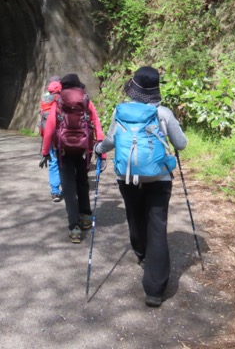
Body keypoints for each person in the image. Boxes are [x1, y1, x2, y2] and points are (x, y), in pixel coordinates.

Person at [95, 66, 187, 307]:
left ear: (133, 88)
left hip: (127, 176)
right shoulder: (164, 113)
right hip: (159, 179)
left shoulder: (120, 111)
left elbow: (111, 140)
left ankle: (141, 253)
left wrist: (98, 150)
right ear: (156, 90)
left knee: (134, 215)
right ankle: (154, 290)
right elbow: (181, 143)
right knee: (158, 227)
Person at [41, 73, 104, 243]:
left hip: (63, 150)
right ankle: (85, 217)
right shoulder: (85, 101)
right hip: (83, 150)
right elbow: (97, 125)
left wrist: (45, 152)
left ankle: (74, 227)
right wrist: (101, 153)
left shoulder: (58, 102)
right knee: (83, 182)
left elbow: (50, 129)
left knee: (68, 188)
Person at [38, 76, 63, 202]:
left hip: (48, 135)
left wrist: (44, 150)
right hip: (62, 135)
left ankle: (55, 191)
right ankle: (68, 188)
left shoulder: (44, 98)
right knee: (64, 161)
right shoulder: (61, 98)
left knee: (53, 162)